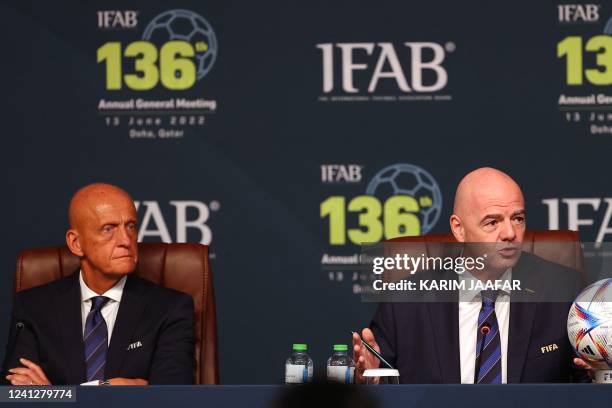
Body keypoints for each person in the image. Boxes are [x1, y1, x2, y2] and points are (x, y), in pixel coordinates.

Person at [353, 167, 594, 383]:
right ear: (459, 229)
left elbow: (586, 380)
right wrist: (371, 379)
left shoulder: (562, 289)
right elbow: (379, 379)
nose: (510, 233)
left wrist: (598, 373)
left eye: (518, 219)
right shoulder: (405, 301)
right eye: (492, 222)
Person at [2, 183, 195, 385]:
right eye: (108, 229)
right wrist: (105, 389)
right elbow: (16, 395)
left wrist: (52, 394)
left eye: (130, 226)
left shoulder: (170, 309)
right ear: (76, 243)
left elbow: (172, 398)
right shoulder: (33, 308)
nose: (126, 240)